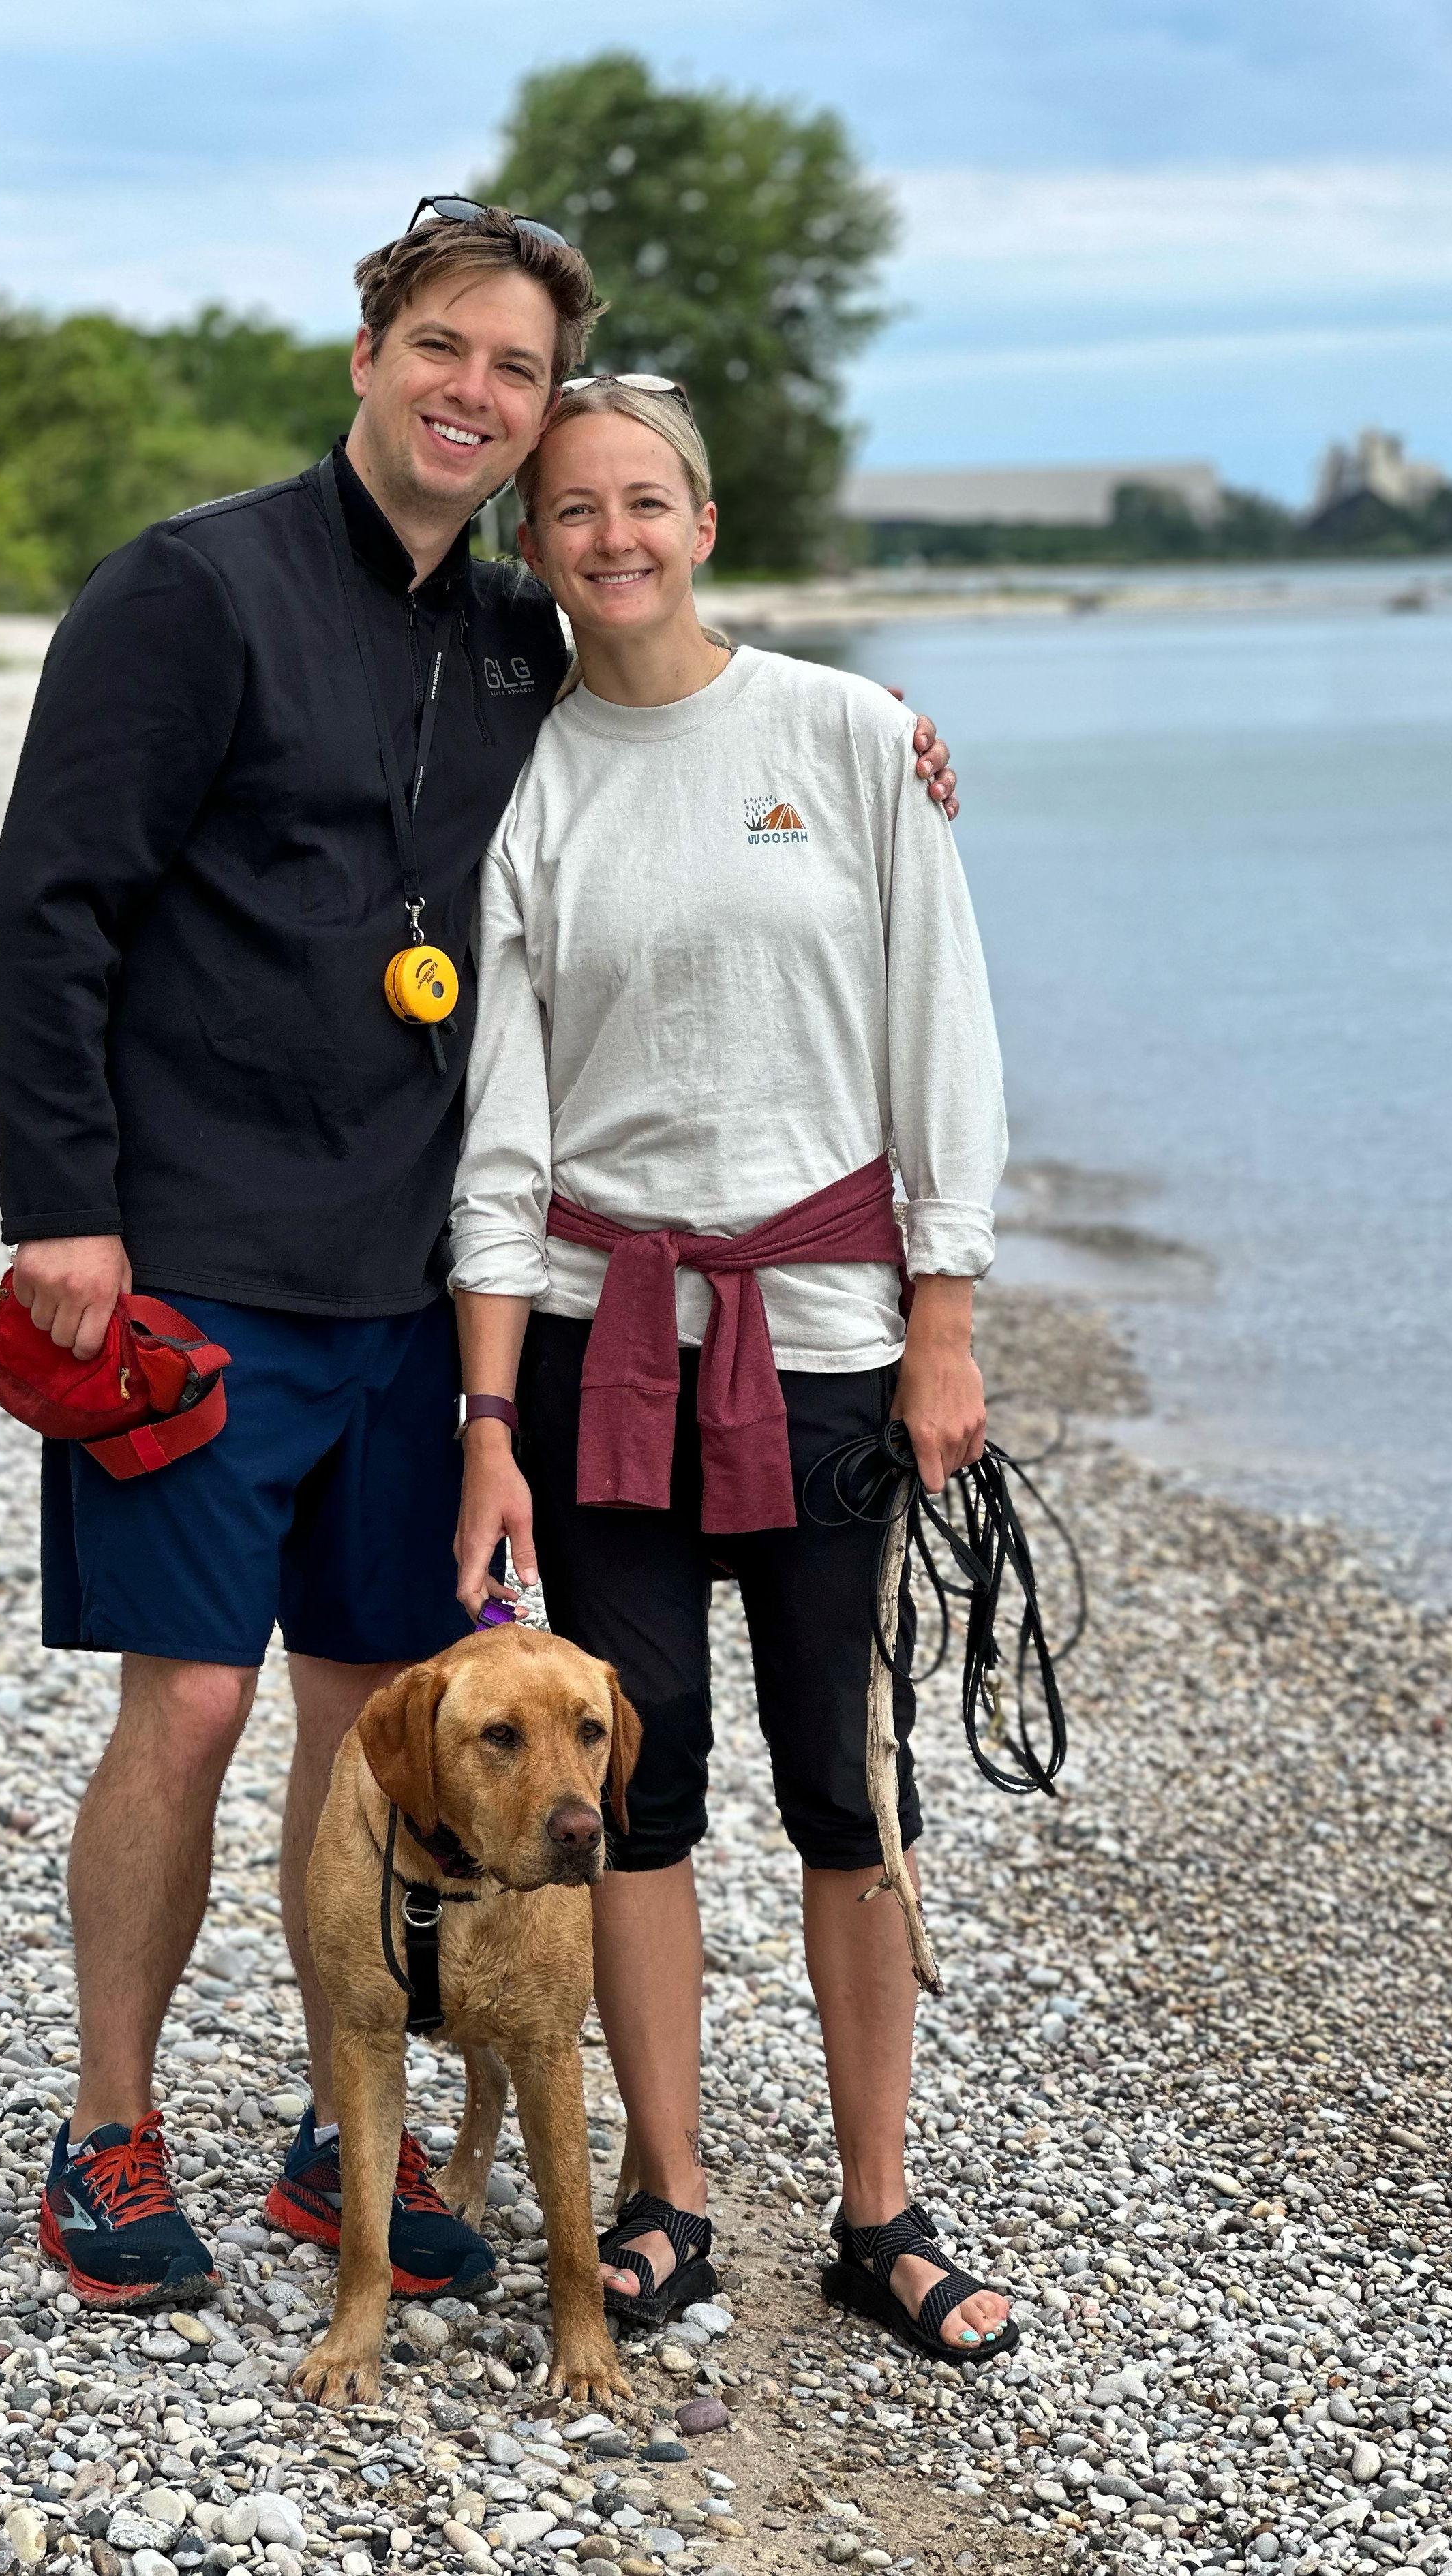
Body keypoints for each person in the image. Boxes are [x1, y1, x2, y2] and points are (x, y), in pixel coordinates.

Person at [0, 202, 965, 2312]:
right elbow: (48, 901)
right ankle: (108, 2122)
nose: (473, 393)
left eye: (513, 372)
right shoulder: (188, 591)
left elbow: (674, 708)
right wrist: (58, 1205)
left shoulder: (520, 636)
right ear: (367, 352)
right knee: (191, 1704)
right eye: (444, 348)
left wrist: (874, 745)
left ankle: (353, 2139)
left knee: (386, 1727)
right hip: (192, 1271)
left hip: (419, 1289)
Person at [447, 378, 1020, 2359]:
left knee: (844, 1790)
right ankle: (666, 2198)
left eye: (644, 501)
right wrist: (490, 1416)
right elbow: (504, 1135)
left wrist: (943, 1312)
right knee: (641, 1787)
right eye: (571, 510)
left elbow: (938, 1027)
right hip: (612, 1350)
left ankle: (878, 2208)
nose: (610, 535)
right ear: (534, 548)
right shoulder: (532, 783)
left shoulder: (850, 737)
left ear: (704, 517)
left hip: (835, 1346)